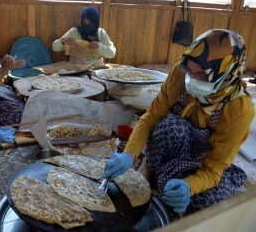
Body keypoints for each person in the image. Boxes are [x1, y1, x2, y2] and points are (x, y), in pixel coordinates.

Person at [101, 29, 255, 214]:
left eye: (203, 76)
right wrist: (129, 154)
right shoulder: (179, 75)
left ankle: (169, 177)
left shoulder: (239, 109)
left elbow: (213, 170)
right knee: (172, 125)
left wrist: (189, 186)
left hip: (202, 161)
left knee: (208, 201)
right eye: (190, 71)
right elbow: (150, 119)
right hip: (173, 144)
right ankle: (149, 165)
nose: (192, 80)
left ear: (227, 74)